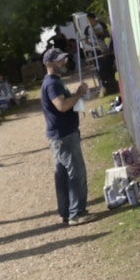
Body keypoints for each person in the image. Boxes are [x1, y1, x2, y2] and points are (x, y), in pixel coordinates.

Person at [41, 47, 92, 226]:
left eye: (63, 59)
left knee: (63, 176)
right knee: (76, 173)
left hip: (61, 135)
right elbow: (61, 106)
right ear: (50, 64)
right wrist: (78, 94)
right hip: (64, 136)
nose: (63, 62)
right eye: (59, 60)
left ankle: (66, 212)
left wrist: (78, 95)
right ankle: (76, 213)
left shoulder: (54, 81)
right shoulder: (52, 83)